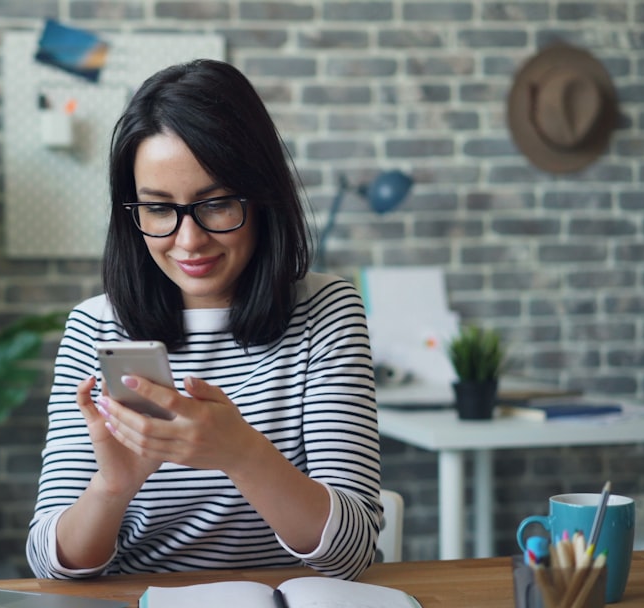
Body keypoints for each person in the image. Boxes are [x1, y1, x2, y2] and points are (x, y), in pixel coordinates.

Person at [26, 59, 380, 581]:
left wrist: (242, 454)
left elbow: (352, 553)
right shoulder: (96, 326)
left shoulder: (326, 313)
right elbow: (48, 564)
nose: (188, 241)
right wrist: (113, 487)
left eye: (215, 205)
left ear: (263, 199)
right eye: (159, 209)